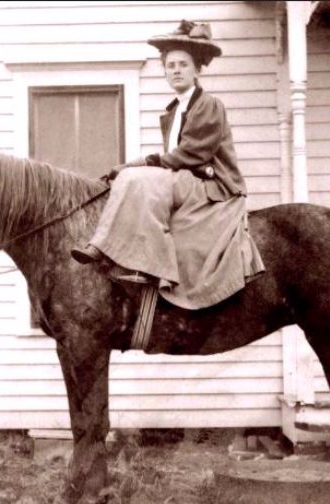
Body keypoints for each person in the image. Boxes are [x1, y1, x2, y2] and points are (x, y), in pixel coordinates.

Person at [71, 20, 263, 310]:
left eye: (183, 64)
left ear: (197, 69)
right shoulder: (177, 109)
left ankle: (123, 256)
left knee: (138, 180)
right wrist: (134, 166)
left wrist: (143, 162)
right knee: (132, 178)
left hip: (212, 185)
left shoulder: (208, 105)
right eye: (170, 65)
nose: (175, 70)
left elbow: (191, 154)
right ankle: (115, 251)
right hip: (187, 180)